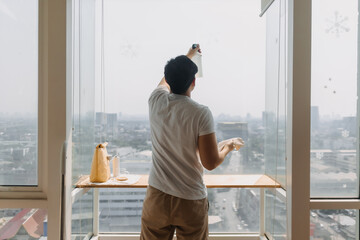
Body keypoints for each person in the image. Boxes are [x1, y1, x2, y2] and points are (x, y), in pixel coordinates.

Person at [140, 44, 244, 240]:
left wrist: (189, 56)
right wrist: (229, 146)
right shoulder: (200, 112)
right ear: (193, 82)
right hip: (189, 199)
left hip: (157, 197)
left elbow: (165, 82)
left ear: (168, 78)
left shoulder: (156, 100)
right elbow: (210, 163)